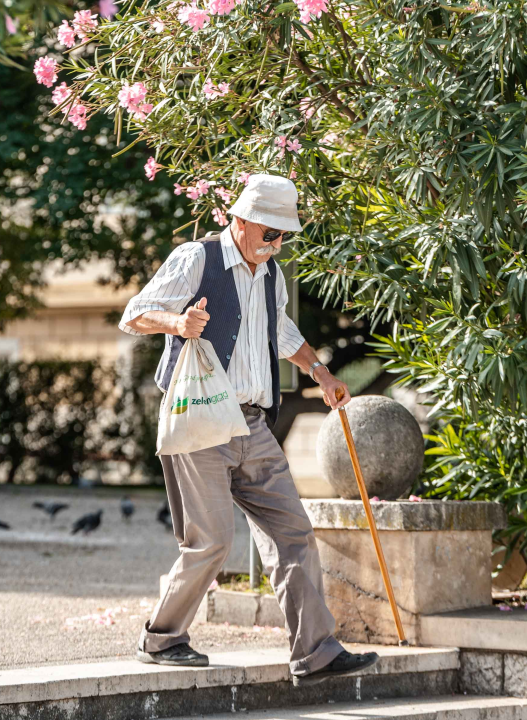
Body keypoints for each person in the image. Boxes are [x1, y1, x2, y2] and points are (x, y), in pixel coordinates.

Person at [119, 173, 379, 686]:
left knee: (294, 533)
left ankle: (315, 652)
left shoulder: (271, 273)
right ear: (240, 220)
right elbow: (135, 314)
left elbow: (280, 329)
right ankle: (163, 638)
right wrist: (177, 325)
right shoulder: (197, 258)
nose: (276, 244)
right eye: (269, 234)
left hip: (253, 424)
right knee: (211, 542)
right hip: (199, 419)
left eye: (283, 236)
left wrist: (320, 372)